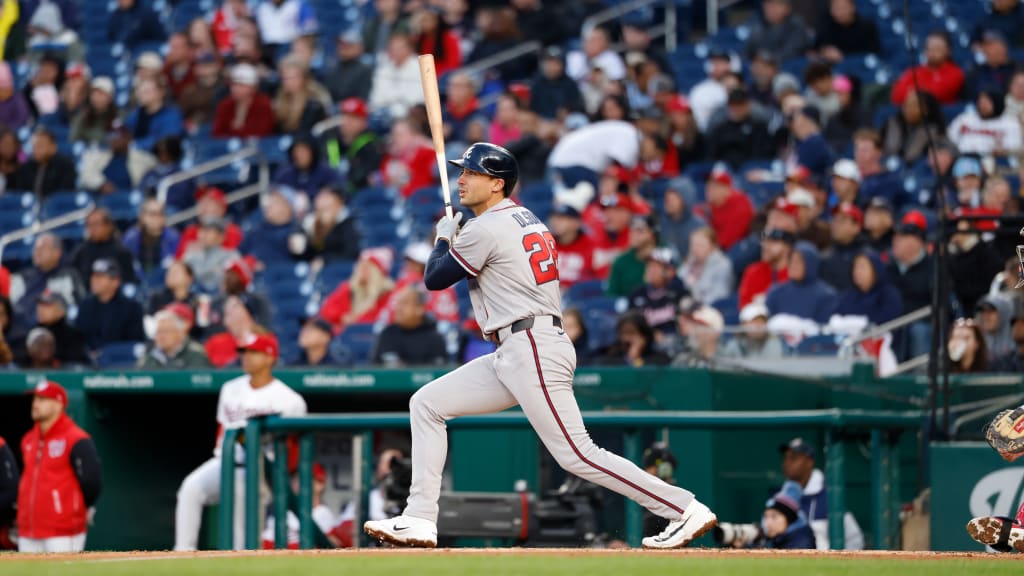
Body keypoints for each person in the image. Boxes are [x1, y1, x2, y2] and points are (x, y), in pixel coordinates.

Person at [363, 142, 717, 549]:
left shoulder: (485, 226)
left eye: (472, 173)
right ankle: (420, 517)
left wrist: (444, 239)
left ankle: (682, 508)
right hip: (518, 346)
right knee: (427, 404)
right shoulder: (524, 218)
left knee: (577, 454)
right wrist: (458, 238)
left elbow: (435, 278)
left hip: (530, 344)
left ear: (497, 184)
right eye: (462, 171)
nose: (461, 179)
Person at [175, 333, 306, 551]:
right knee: (190, 489)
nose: (246, 357)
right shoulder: (230, 388)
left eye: (254, 352)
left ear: (270, 357)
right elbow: (222, 428)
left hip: (259, 468)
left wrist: (278, 478)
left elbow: (294, 444)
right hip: (225, 462)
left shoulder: (289, 399)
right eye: (244, 352)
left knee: (242, 535)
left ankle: (242, 562)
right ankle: (182, 552)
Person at [17, 381, 102, 553]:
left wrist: (74, 510)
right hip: (28, 530)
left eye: (42, 399)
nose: (35, 404)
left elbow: (92, 483)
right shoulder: (28, 439)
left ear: (58, 404)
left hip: (62, 530)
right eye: (35, 399)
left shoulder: (77, 438)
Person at [779, 437, 864, 550]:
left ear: (809, 462)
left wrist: (837, 560)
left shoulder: (828, 496)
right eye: (786, 458)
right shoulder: (780, 497)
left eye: (793, 458)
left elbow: (855, 539)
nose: (787, 463)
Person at [9, 233, 84, 327]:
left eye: (42, 248)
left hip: (56, 328)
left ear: (57, 253)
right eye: (35, 248)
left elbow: (79, 307)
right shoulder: (23, 277)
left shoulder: (69, 276)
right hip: (20, 328)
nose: (37, 252)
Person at [886, 211, 934, 359]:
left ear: (917, 242)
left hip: (921, 323)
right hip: (893, 324)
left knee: (919, 331)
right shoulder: (889, 268)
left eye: (901, 237)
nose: (895, 241)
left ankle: (921, 373)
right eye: (895, 237)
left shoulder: (933, 268)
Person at [75, 259, 146, 352]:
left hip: (119, 359)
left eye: (100, 276)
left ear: (115, 282)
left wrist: (105, 353)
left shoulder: (132, 308)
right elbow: (78, 338)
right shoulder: (85, 305)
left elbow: (135, 344)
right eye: (93, 276)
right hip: (88, 359)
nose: (94, 280)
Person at [319, 248, 395, 331]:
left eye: (366, 267)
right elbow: (326, 310)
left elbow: (382, 319)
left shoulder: (387, 293)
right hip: (344, 333)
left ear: (376, 271)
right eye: (360, 265)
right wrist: (342, 317)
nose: (361, 269)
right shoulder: (349, 287)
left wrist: (356, 320)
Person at [370, 285, 448, 367]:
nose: (398, 308)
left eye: (404, 303)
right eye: (398, 303)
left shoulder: (435, 338)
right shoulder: (387, 334)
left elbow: (438, 370)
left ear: (420, 309)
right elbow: (374, 368)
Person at [765, 241, 837, 323]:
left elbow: (824, 326)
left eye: (798, 262)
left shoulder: (826, 295)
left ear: (810, 264)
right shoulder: (776, 292)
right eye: (791, 261)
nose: (793, 265)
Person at [320, 97, 382, 191]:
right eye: (345, 116)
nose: (347, 121)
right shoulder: (329, 136)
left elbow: (363, 175)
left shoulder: (371, 144)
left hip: (354, 191)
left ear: (364, 122)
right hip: (326, 188)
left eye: (353, 118)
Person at [706, 88, 774, 171]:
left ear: (747, 105)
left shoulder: (759, 128)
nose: (737, 109)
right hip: (723, 171)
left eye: (740, 104)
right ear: (728, 107)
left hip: (751, 170)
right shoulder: (719, 130)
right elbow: (710, 157)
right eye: (733, 105)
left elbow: (762, 155)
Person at [627, 247, 689, 338]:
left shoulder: (680, 293)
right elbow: (629, 327)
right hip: (646, 343)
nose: (651, 270)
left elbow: (688, 325)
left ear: (670, 271)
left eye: (656, 267)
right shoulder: (636, 294)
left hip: (675, 342)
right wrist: (651, 335)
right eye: (649, 265)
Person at [891, 31, 965, 105]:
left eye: (938, 48)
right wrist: (923, 91)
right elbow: (897, 96)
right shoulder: (914, 71)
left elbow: (938, 94)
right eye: (929, 48)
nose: (932, 52)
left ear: (948, 51)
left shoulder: (955, 72)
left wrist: (913, 91)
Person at [70, 208, 139, 285]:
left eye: (96, 224)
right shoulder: (80, 252)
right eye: (89, 225)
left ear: (109, 226)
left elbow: (129, 281)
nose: (92, 229)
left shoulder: (122, 252)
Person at [834, 251, 903, 325]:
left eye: (862, 267)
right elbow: (836, 315)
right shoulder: (849, 294)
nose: (857, 272)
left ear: (876, 269)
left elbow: (888, 321)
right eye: (855, 267)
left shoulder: (888, 294)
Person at [368, 30, 424, 119]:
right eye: (392, 49)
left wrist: (392, 99)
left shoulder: (420, 67)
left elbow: (416, 99)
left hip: (410, 115)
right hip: (383, 113)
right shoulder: (384, 68)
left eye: (399, 48)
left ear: (409, 49)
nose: (395, 51)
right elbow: (376, 98)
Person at [948, 91, 1022, 157]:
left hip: (996, 160)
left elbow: (1015, 148)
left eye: (986, 103)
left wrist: (1003, 151)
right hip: (962, 158)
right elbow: (950, 140)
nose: (982, 106)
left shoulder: (1010, 123)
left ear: (996, 102)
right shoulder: (965, 119)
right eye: (980, 102)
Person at [175, 187, 244, 258]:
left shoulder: (232, 231)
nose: (203, 207)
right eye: (201, 202)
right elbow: (179, 259)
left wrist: (206, 245)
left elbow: (232, 257)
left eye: (209, 203)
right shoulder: (190, 231)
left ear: (221, 208)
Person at [24, 290, 88, 365]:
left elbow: (76, 362)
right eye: (39, 305)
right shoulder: (33, 332)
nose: (40, 309)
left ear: (61, 310)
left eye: (46, 305)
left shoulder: (72, 335)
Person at [212, 63, 275, 139]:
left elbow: (261, 133)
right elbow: (217, 133)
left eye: (241, 85)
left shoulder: (263, 104)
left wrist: (236, 130)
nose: (235, 89)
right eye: (234, 85)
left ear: (253, 87)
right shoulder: (225, 105)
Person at [12, 127, 76, 198]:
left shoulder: (65, 165)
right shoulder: (26, 167)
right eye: (34, 146)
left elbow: (65, 193)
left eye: (40, 145)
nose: (36, 149)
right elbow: (20, 193)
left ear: (53, 147)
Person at [123, 79, 185, 153]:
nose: (141, 95)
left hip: (159, 155)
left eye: (146, 92)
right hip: (135, 152)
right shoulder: (137, 113)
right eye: (140, 92)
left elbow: (168, 141)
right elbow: (125, 130)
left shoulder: (172, 115)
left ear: (160, 93)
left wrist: (135, 145)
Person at [183, 218, 242, 293]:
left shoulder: (231, 255)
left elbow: (232, 284)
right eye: (201, 230)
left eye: (208, 231)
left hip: (219, 296)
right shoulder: (192, 253)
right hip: (194, 296)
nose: (203, 234)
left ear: (221, 236)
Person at [738, 229, 794, 308]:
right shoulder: (753, 271)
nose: (766, 246)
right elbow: (744, 307)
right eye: (765, 241)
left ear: (787, 247)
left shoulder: (795, 274)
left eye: (773, 242)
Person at [607, 215, 660, 297]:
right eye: (632, 230)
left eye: (639, 231)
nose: (633, 235)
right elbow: (611, 295)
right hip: (628, 304)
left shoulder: (665, 257)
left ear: (652, 235)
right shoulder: (621, 261)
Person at [139, 309, 211, 369]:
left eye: (166, 331)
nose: (161, 336)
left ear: (180, 333)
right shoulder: (149, 355)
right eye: (158, 332)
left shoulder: (196, 354)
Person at [123, 199, 180, 274]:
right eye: (152, 214)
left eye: (161, 213)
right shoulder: (131, 238)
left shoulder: (173, 237)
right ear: (142, 216)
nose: (157, 218)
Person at [680, 227, 733, 306]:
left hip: (710, 308)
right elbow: (679, 279)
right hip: (685, 304)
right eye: (693, 244)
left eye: (700, 245)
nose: (695, 249)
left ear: (712, 246)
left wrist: (693, 287)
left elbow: (719, 297)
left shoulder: (723, 265)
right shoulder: (691, 260)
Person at [813, 0, 880, 61]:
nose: (840, 12)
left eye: (843, 8)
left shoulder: (866, 27)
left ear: (853, 7)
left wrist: (843, 56)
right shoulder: (826, 27)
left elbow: (873, 53)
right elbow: (814, 51)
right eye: (836, 8)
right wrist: (824, 52)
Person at [745, 0, 810, 63]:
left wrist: (764, 60)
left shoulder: (796, 25)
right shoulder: (757, 23)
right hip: (758, 65)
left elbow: (789, 55)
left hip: (786, 68)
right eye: (768, 3)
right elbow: (745, 53)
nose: (770, 7)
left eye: (776, 4)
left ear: (787, 8)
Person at [548, 204, 596, 290]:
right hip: (550, 291)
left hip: (579, 293)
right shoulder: (546, 243)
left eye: (562, 218)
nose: (556, 222)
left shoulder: (590, 245)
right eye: (554, 217)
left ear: (576, 223)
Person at [530, 46, 582, 121]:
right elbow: (533, 110)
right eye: (548, 63)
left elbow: (577, 106)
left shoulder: (570, 84)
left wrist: (568, 111)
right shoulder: (537, 84)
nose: (551, 67)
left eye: (555, 63)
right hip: (543, 123)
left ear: (562, 65)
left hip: (567, 121)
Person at [721, 302, 785, 359]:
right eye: (754, 321)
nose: (759, 325)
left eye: (762, 321)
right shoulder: (734, 344)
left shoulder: (773, 343)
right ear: (743, 324)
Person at [325, 29, 373, 103]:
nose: (342, 47)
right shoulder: (333, 68)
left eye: (348, 45)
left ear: (359, 48)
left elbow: (361, 100)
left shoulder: (365, 70)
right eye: (341, 44)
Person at [977, 294, 1017, 361]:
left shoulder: (1018, 343)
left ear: (1004, 313)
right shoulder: (978, 342)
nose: (986, 316)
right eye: (983, 311)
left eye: (991, 311)